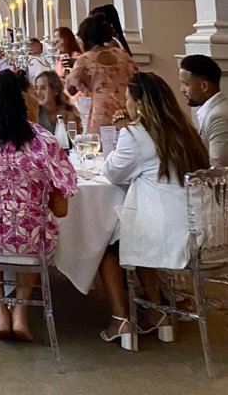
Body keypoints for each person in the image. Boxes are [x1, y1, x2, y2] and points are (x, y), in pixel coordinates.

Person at [0, 70, 76, 342]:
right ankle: (20, 312)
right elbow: (61, 207)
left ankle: (0, 310)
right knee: (29, 228)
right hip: (32, 242)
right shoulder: (43, 140)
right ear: (22, 103)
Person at [96, 71, 211, 344]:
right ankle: (158, 312)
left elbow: (112, 173)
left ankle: (120, 319)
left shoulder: (137, 135)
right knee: (128, 231)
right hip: (200, 228)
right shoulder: (185, 130)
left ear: (139, 103)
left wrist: (126, 131)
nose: (126, 105)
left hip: (167, 233)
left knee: (106, 243)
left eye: (128, 99)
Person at [66, 14, 137, 132]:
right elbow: (136, 77)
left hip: (102, 112)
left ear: (86, 38)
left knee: (101, 145)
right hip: (126, 109)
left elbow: (71, 90)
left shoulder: (85, 60)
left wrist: (70, 72)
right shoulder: (123, 55)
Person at [179, 54, 228, 166]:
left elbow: (218, 168)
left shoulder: (218, 116)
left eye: (185, 84)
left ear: (204, 86)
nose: (181, 90)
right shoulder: (211, 112)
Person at [34, 70, 82, 135]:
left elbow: (76, 140)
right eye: (36, 88)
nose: (38, 93)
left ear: (55, 91)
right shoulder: (35, 114)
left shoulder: (69, 114)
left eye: (43, 88)